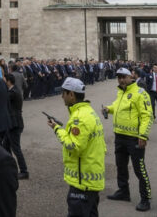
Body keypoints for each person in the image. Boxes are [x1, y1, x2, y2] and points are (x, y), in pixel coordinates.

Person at [47, 77, 106, 217]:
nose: (62, 96)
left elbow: (73, 145)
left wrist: (57, 129)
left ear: (71, 95)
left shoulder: (80, 118)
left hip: (82, 182)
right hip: (90, 178)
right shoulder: (88, 112)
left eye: (64, 93)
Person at [102, 67, 153, 212]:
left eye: (124, 77)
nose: (121, 80)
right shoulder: (121, 92)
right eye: (119, 77)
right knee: (121, 166)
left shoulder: (140, 93)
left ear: (131, 77)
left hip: (134, 138)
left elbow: (147, 116)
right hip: (120, 136)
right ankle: (123, 192)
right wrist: (108, 109)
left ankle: (146, 199)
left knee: (139, 170)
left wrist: (143, 135)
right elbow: (118, 107)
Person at [4, 73, 28, 180]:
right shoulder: (14, 90)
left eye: (4, 80)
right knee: (5, 147)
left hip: (14, 123)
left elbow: (3, 101)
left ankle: (24, 171)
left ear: (8, 81)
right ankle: (9, 168)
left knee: (16, 148)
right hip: (12, 123)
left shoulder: (12, 92)